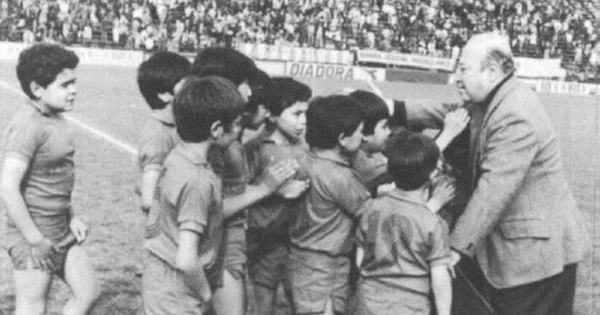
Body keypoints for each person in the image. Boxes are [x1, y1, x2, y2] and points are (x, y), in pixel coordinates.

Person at [451, 32, 591, 315]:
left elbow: (494, 190)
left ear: (491, 72)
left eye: (463, 69)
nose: (456, 76)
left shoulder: (514, 113)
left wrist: (455, 249)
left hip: (536, 260)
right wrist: (397, 109)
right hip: (529, 253)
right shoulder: (498, 97)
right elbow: (447, 114)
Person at [192, 47, 304, 315]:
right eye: (244, 83)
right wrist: (267, 188)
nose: (250, 92)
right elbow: (210, 209)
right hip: (216, 246)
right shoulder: (214, 142)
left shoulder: (224, 135)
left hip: (227, 244)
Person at [1, 43, 98, 315]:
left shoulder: (56, 118)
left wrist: (72, 217)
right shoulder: (27, 125)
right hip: (34, 236)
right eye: (65, 84)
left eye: (74, 82)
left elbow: (55, 181)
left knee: (88, 293)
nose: (74, 90)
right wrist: (35, 240)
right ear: (37, 89)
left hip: (61, 229)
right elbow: (8, 187)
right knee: (32, 307)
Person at [142, 75, 244, 314]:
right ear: (217, 129)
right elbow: (186, 260)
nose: (240, 130)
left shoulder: (177, 156)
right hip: (177, 290)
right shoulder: (198, 180)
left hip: (159, 277)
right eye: (237, 124)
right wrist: (206, 294)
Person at [352, 130, 453, 315]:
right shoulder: (434, 222)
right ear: (432, 174)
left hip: (368, 302)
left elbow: (360, 260)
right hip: (410, 306)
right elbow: (440, 279)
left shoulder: (372, 208)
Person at [288, 95, 371, 315]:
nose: (363, 138)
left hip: (302, 258)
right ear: (342, 138)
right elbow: (370, 213)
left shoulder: (305, 160)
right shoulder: (338, 176)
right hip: (326, 265)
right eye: (361, 131)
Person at [244, 77, 312, 315]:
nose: (303, 122)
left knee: (302, 302)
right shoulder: (256, 149)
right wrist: (276, 193)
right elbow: (239, 195)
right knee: (264, 302)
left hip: (300, 242)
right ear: (272, 115)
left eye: (305, 114)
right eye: (296, 114)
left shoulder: (307, 147)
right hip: (265, 242)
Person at [136, 51, 191, 214]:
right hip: (168, 231)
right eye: (187, 84)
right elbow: (149, 198)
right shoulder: (159, 132)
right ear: (164, 94)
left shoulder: (179, 124)